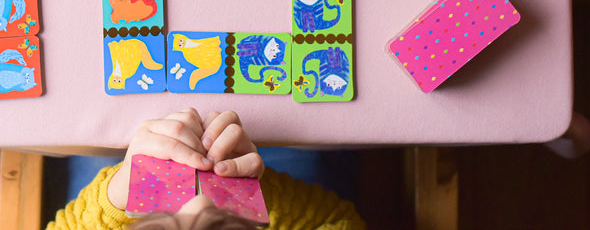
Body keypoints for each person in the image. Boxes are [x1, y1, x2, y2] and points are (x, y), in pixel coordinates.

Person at [46, 108, 366, 230]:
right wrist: (247, 197)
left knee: (96, 145)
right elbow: (339, 221)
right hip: (287, 210)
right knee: (323, 133)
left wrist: (116, 193)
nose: (197, 200)